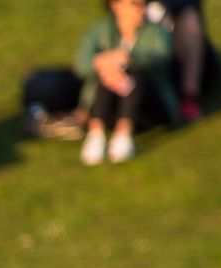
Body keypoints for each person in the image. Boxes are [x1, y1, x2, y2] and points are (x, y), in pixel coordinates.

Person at [77, 0, 180, 165]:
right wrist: (106, 62)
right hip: (113, 104)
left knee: (133, 73)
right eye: (134, 3)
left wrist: (128, 59)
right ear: (116, 5)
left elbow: (162, 57)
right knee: (109, 73)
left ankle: (123, 134)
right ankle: (96, 134)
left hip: (149, 107)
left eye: (142, 4)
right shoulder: (101, 30)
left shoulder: (155, 30)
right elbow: (82, 65)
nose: (141, 9)